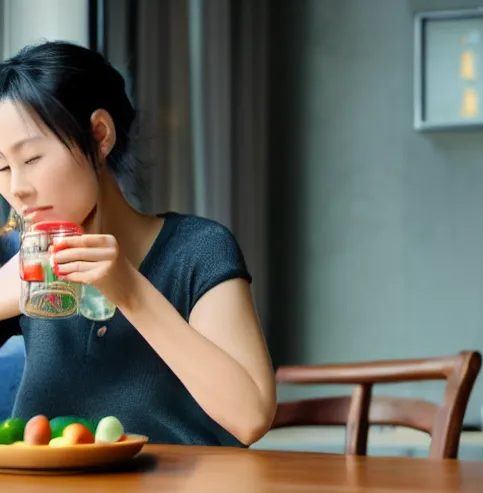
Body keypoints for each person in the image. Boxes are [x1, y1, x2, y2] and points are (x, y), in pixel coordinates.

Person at [0, 40, 276, 446]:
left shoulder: (197, 250)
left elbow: (250, 416)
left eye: (32, 160)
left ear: (100, 134)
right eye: (2, 167)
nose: (17, 189)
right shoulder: (17, 259)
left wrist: (130, 291)